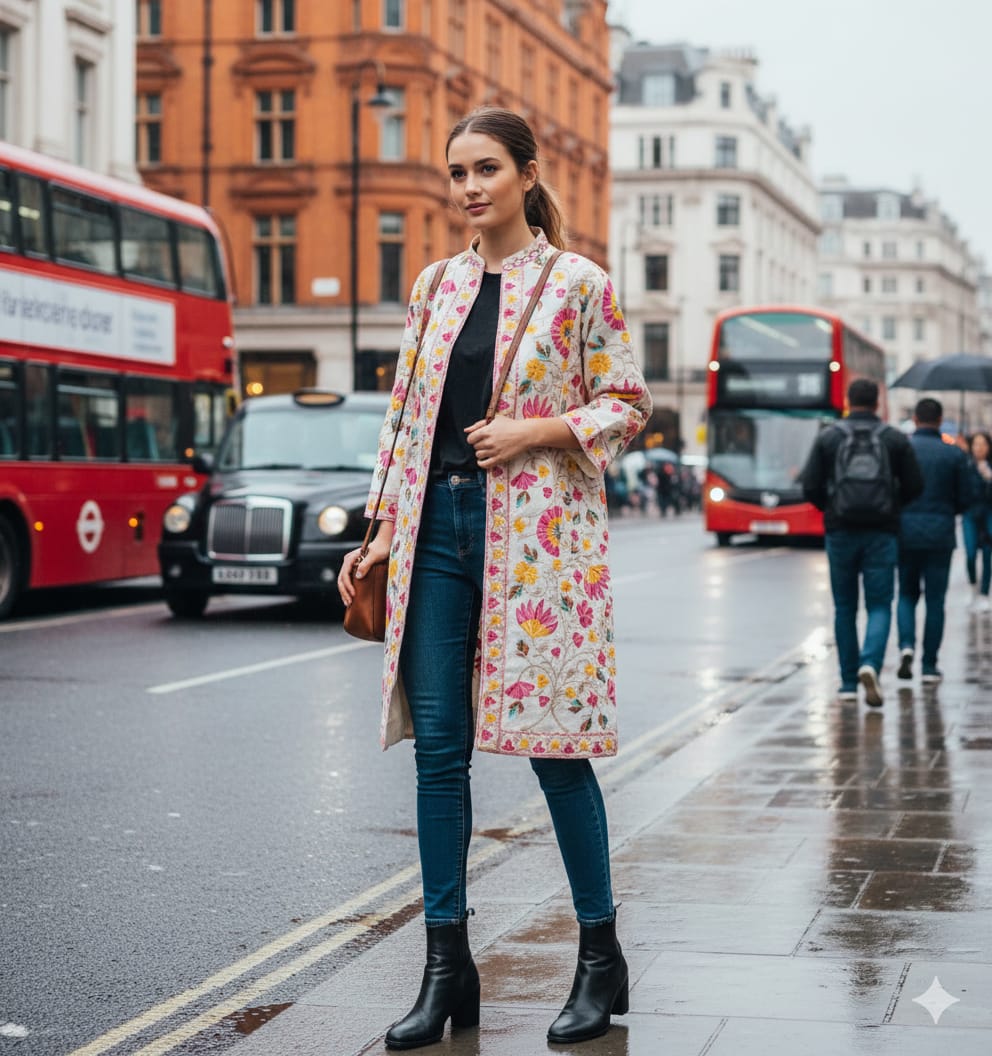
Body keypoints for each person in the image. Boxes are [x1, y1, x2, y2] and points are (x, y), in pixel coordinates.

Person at [338, 107, 652, 1049]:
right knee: (440, 753)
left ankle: (600, 961)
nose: (469, 186)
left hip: (539, 541)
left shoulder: (579, 284)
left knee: (558, 751)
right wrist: (381, 529)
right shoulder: (434, 288)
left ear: (523, 174)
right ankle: (446, 972)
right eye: (457, 172)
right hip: (434, 526)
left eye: (485, 169)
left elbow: (627, 403)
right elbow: (404, 421)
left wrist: (534, 432)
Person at [800, 379, 923, 706]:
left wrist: (832, 508)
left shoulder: (830, 437)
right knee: (880, 604)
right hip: (882, 532)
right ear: (877, 401)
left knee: (844, 607)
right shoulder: (894, 438)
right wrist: (891, 507)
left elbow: (809, 485)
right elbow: (915, 485)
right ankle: (870, 663)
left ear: (847, 400)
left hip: (840, 531)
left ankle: (847, 683)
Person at [895, 399, 973, 683]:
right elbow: (966, 499)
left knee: (905, 594)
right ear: (940, 421)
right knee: (935, 601)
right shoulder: (952, 454)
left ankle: (906, 645)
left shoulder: (903, 449)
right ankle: (929, 665)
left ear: (915, 419)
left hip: (905, 533)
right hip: (940, 534)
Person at [962, 430, 992, 611]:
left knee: (988, 553)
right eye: (976, 444)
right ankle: (973, 586)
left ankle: (984, 593)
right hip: (970, 514)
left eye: (983, 444)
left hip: (989, 512)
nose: (980, 448)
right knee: (971, 553)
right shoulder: (965, 465)